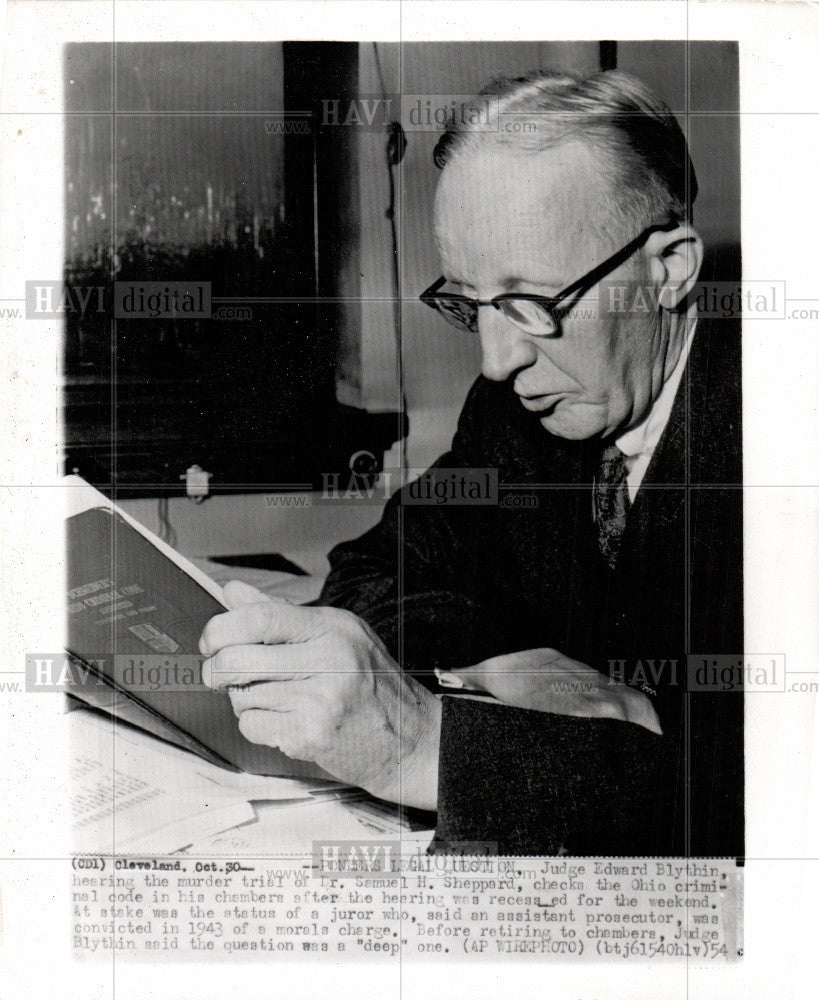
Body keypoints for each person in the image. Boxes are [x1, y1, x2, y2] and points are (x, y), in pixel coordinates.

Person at [199, 70, 743, 857]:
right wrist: (501, 665)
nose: (496, 360)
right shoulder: (520, 409)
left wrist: (426, 746)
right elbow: (382, 564)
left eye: (532, 303)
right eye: (471, 304)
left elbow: (756, 793)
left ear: (668, 269)